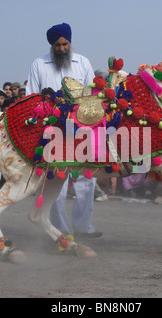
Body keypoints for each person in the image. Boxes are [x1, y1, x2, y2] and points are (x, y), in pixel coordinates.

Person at [26, 22, 100, 238]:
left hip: (81, 129)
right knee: (55, 179)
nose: (61, 49)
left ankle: (83, 227)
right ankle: (61, 230)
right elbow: (31, 96)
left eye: (64, 44)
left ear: (70, 42)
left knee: (87, 178)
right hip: (52, 130)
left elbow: (91, 96)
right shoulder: (39, 64)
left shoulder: (83, 62)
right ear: (51, 45)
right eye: (57, 45)